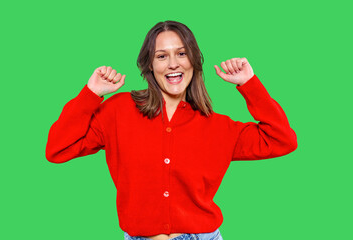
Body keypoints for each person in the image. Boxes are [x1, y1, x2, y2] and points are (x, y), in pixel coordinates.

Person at [46, 20, 297, 240]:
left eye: (182, 54)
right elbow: (57, 149)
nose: (173, 64)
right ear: (149, 65)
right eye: (161, 56)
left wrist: (249, 84)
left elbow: (282, 140)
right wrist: (91, 94)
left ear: (194, 62)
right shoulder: (117, 111)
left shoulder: (219, 127)